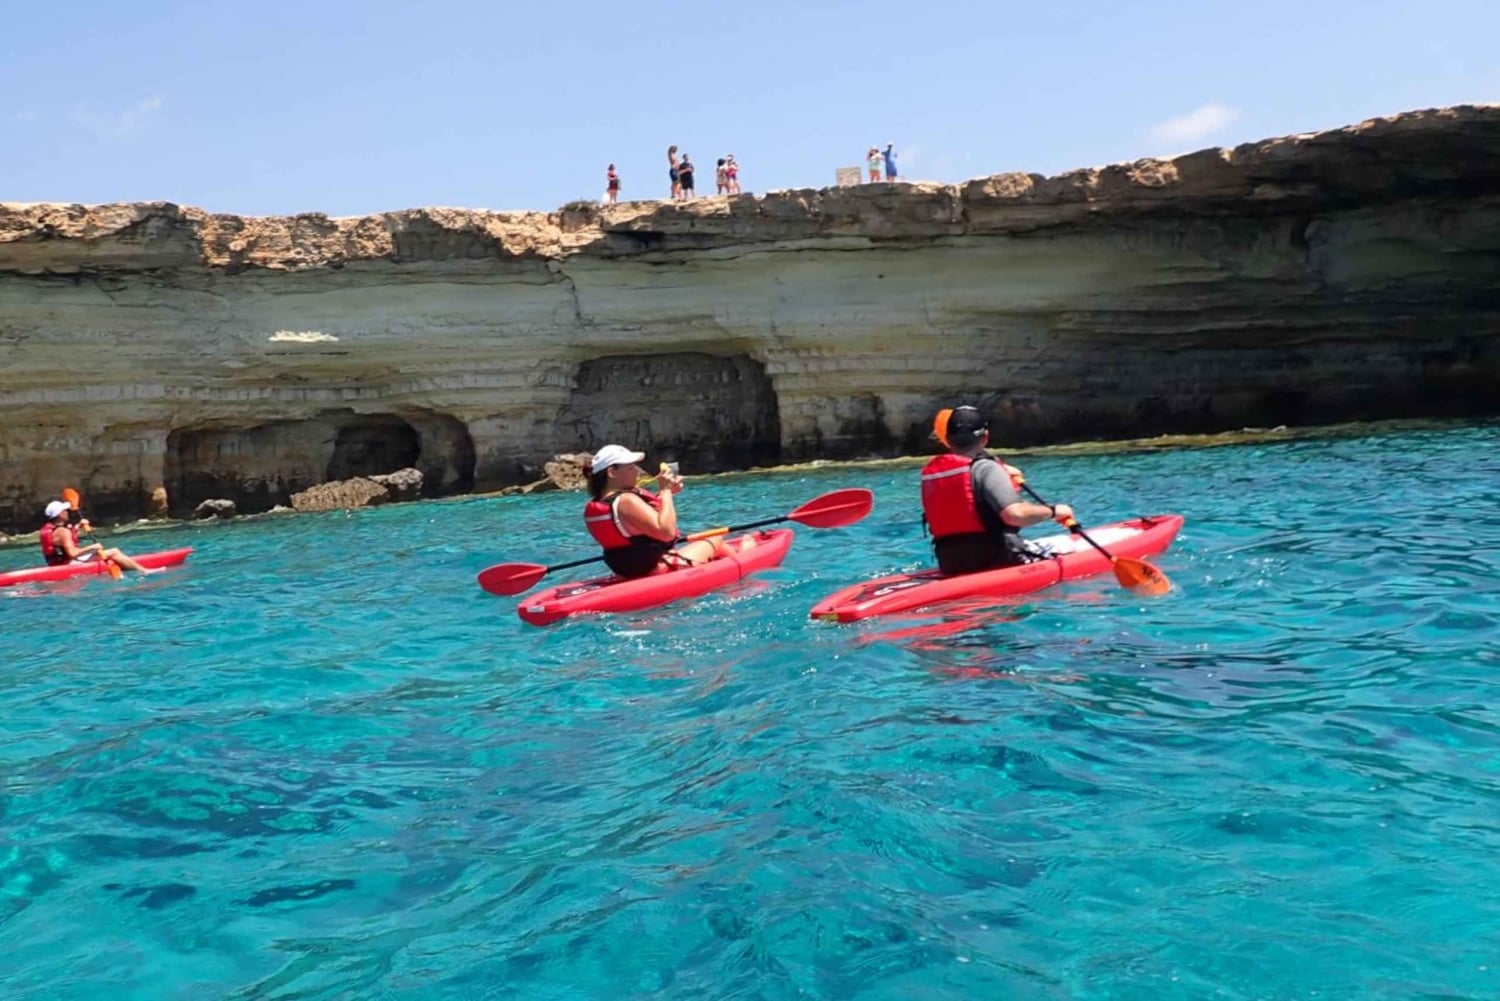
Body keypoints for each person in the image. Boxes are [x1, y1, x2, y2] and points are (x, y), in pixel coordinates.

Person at [920, 406, 1074, 576]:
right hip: (997, 558)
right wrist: (1054, 511)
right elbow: (1014, 515)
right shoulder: (987, 468)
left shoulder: (932, 474)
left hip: (951, 564)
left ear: (948, 439)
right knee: (1067, 545)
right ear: (985, 437)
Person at [583, 444, 741, 578]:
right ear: (612, 472)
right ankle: (742, 570)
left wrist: (666, 493)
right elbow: (666, 532)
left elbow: (635, 522)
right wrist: (665, 491)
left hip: (628, 572)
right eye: (630, 468)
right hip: (658, 570)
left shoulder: (599, 503)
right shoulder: (626, 500)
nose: (637, 471)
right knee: (716, 539)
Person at [39, 499, 158, 573]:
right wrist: (92, 547)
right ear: (60, 514)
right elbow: (73, 553)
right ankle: (144, 570)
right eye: (65, 511)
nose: (67, 512)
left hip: (56, 565)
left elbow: (62, 541)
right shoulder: (63, 532)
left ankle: (127, 565)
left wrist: (77, 527)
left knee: (109, 554)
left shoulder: (52, 530)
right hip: (68, 565)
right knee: (114, 551)